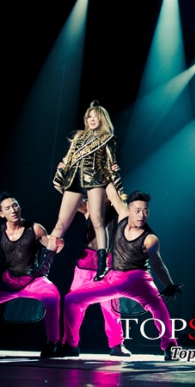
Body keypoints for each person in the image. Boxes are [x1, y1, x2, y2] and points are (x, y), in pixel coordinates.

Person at [60, 191, 182, 359]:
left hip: (137, 280)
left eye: (145, 211)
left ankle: (170, 346)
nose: (142, 215)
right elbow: (111, 193)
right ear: (128, 210)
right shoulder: (122, 216)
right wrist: (105, 177)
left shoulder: (150, 238)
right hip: (112, 277)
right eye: (137, 210)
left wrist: (169, 284)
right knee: (71, 299)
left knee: (157, 305)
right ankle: (70, 345)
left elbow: (158, 264)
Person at [0, 193, 63, 357]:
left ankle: (53, 343)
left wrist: (57, 243)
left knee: (53, 295)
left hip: (32, 281)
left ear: (20, 208)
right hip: (7, 282)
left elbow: (51, 246)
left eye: (15, 205)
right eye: (7, 208)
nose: (13, 210)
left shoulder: (35, 228)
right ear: (1, 214)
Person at [51, 100, 123, 281]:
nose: (91, 119)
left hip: (96, 180)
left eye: (95, 117)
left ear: (102, 119)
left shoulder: (108, 138)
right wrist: (63, 168)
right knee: (61, 223)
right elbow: (69, 158)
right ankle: (44, 264)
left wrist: (116, 177)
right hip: (74, 179)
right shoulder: (79, 137)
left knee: (97, 221)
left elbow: (110, 163)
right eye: (89, 116)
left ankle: (102, 265)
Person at [71, 197, 129, 357]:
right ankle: (70, 343)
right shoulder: (89, 207)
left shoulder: (120, 209)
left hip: (108, 264)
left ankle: (117, 344)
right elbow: (71, 200)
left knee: (112, 308)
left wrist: (114, 192)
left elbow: (122, 207)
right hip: (86, 262)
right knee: (74, 305)